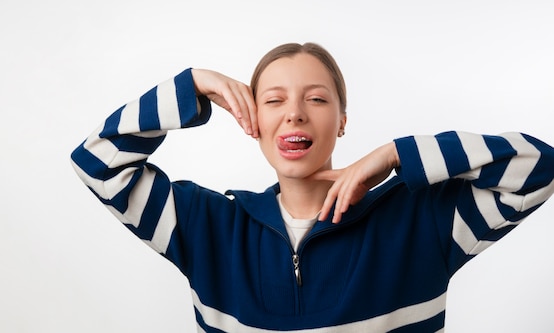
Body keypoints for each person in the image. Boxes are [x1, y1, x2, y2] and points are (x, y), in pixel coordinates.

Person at [71, 42, 554, 332]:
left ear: (342, 122)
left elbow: (539, 168)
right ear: (253, 119)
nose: (295, 112)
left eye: (317, 99)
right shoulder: (204, 227)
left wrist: (395, 154)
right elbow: (96, 162)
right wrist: (191, 85)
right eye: (274, 100)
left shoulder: (421, 221)